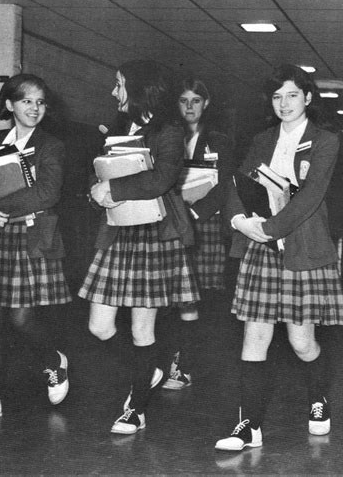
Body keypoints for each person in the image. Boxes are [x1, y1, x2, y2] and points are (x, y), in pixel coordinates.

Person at [214, 64, 343, 451]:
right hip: (259, 248)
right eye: (277, 97)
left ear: (308, 98)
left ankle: (318, 400)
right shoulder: (261, 139)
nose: (284, 103)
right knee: (253, 337)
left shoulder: (325, 140)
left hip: (301, 248)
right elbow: (239, 184)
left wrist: (270, 229)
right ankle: (249, 426)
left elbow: (310, 196)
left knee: (302, 342)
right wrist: (240, 221)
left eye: (292, 95)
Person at [78, 60, 200, 434]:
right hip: (117, 233)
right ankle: (150, 370)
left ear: (141, 88)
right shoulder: (116, 127)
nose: (115, 92)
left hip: (153, 235)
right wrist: (96, 192)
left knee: (140, 331)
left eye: (120, 84)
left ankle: (137, 408)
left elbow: (162, 179)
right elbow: (96, 170)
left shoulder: (170, 130)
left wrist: (114, 190)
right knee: (99, 327)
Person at [0, 74, 70, 419]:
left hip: (31, 237)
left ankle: (54, 360)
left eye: (39, 102)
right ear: (9, 105)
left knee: (22, 319)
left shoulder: (52, 145)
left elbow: (47, 194)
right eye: (26, 101)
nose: (34, 108)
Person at [162, 77, 235, 390]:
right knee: (174, 297)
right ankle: (175, 360)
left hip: (203, 225)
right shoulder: (166, 137)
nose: (189, 107)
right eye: (183, 101)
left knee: (198, 298)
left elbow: (224, 186)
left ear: (206, 104)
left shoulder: (220, 141)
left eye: (195, 100)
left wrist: (195, 213)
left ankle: (189, 362)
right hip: (170, 223)